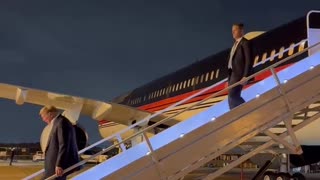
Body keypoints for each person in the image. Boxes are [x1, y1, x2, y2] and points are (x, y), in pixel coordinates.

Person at [40, 106, 80, 180]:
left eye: (44, 117)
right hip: (53, 166)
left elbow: (64, 144)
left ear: (50, 114)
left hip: (57, 166)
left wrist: (60, 164)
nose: (43, 119)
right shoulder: (59, 122)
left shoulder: (61, 123)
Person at [227, 23, 253, 110]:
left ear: (241, 31)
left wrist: (246, 76)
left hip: (239, 74)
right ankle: (236, 114)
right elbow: (231, 62)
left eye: (235, 30)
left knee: (232, 95)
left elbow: (249, 60)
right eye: (232, 31)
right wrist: (228, 79)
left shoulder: (245, 43)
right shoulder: (234, 45)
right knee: (231, 97)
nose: (233, 32)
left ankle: (248, 111)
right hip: (232, 74)